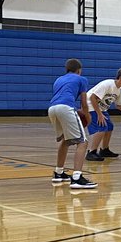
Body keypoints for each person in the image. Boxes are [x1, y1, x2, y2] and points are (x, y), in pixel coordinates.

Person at [47, 58, 96, 190]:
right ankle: (77, 178)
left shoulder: (59, 80)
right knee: (83, 141)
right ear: (79, 70)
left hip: (52, 108)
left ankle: (58, 173)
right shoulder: (82, 79)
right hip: (65, 108)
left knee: (66, 140)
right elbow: (84, 103)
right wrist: (87, 115)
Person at [85, 67, 121, 162]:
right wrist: (99, 114)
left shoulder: (119, 89)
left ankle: (104, 150)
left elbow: (119, 106)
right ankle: (91, 152)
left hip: (101, 108)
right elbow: (93, 98)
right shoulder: (107, 84)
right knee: (102, 126)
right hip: (90, 106)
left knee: (109, 126)